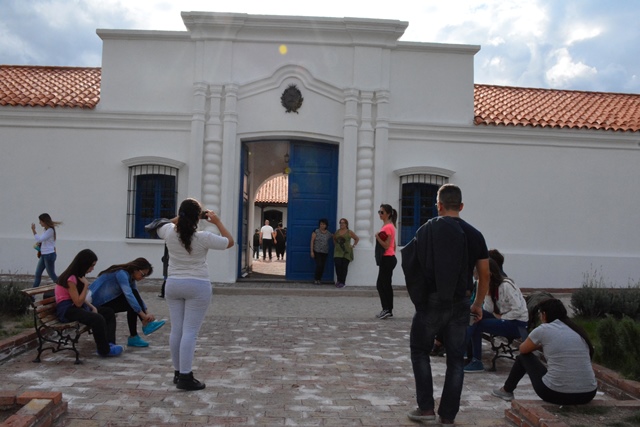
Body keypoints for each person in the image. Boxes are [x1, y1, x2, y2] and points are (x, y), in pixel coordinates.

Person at [402, 184, 490, 426]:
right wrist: (478, 303)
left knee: (420, 351)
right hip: (461, 301)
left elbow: (412, 265)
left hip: (431, 300)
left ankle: (426, 409)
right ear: (461, 206)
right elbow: (485, 274)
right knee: (455, 357)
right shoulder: (474, 234)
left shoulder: (426, 230)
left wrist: (420, 298)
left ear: (438, 205)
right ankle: (448, 415)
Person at [157, 198, 234, 391]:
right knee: (190, 332)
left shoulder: (168, 233)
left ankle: (178, 372)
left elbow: (160, 224)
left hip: (173, 284)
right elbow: (229, 242)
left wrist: (183, 216)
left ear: (180, 215)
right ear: (197, 218)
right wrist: (216, 222)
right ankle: (186, 376)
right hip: (197, 285)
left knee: (177, 330)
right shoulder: (203, 237)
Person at [492, 298, 597, 405]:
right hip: (588, 394)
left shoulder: (543, 329)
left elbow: (523, 349)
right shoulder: (577, 330)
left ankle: (506, 390)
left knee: (523, 357)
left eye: (540, 313)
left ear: (544, 314)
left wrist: (539, 346)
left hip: (556, 394)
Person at [55, 249, 123, 357]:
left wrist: (91, 307)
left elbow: (79, 299)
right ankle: (104, 350)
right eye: (91, 266)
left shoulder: (78, 276)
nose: (92, 269)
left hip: (75, 307)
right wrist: (86, 286)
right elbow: (77, 302)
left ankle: (110, 344)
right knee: (97, 319)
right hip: (67, 310)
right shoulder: (70, 279)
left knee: (108, 312)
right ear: (84, 264)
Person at [464, 258, 528, 372]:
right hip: (502, 318)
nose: (477, 278)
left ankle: (475, 360)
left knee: (477, 323)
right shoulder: (487, 285)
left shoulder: (506, 285)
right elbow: (487, 309)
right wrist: (486, 293)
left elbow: (519, 310)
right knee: (473, 315)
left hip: (516, 323)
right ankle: (465, 351)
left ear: (490, 274)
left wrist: (501, 317)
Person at [89, 257, 166, 348]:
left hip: (106, 302)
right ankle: (142, 327)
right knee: (130, 300)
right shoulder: (121, 273)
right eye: (142, 275)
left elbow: (137, 297)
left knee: (133, 299)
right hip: (94, 304)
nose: (143, 278)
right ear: (135, 269)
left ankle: (136, 335)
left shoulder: (130, 277)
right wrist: (143, 316)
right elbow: (128, 294)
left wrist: (147, 312)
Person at [374, 204, 397, 319]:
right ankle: (388, 309)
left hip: (387, 258)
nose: (380, 214)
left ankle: (386, 309)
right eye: (379, 212)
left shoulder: (388, 227)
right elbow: (394, 244)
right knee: (385, 284)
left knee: (382, 284)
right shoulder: (389, 226)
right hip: (389, 258)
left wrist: (377, 237)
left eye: (382, 212)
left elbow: (387, 245)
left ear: (388, 214)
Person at [31, 213, 62, 288]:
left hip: (49, 255)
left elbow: (40, 239)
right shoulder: (45, 230)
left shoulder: (50, 230)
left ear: (44, 221)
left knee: (52, 275)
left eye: (40, 221)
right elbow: (42, 240)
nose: (39, 223)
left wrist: (34, 230)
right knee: (38, 273)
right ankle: (32, 294)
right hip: (44, 254)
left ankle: (63, 288)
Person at [333, 218, 359, 288]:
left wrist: (353, 245)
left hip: (346, 252)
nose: (341, 224)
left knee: (344, 267)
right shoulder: (337, 232)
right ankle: (338, 280)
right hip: (338, 252)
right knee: (338, 265)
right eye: (340, 223)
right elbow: (334, 239)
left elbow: (356, 238)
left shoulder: (349, 232)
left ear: (346, 224)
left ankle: (342, 282)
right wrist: (336, 245)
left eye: (343, 223)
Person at [310, 218, 332, 284]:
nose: (322, 225)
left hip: (325, 252)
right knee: (319, 265)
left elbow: (334, 237)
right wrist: (312, 251)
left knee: (322, 266)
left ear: (326, 225)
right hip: (317, 251)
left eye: (324, 224)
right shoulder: (316, 231)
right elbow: (312, 241)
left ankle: (319, 279)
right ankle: (316, 279)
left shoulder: (328, 233)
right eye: (321, 224)